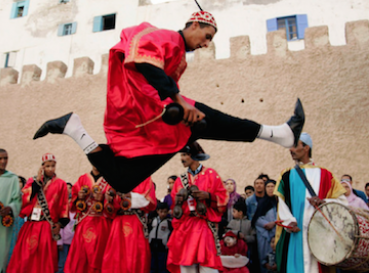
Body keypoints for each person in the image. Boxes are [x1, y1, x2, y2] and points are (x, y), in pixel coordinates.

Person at [33, 10, 305, 194]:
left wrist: (186, 132)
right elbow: (145, 62)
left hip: (146, 118)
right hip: (141, 108)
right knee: (208, 119)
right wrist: (180, 101)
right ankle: (277, 133)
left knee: (122, 180)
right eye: (207, 36)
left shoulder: (179, 55)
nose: (206, 44)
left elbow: (161, 80)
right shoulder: (167, 37)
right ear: (194, 24)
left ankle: (73, 129)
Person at [274, 133, 347, 273]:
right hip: (295, 235)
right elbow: (281, 202)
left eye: (295, 146)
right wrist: (289, 222)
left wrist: (324, 201)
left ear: (306, 148)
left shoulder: (326, 175)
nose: (291, 150)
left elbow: (342, 202)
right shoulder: (286, 175)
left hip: (320, 238)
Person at [167, 142, 228, 273]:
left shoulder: (211, 174)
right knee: (186, 266)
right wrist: (178, 201)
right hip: (186, 226)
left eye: (184, 155)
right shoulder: (180, 179)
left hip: (204, 224)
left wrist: (209, 196)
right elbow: (174, 206)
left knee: (208, 266)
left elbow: (223, 199)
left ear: (193, 156)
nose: (181, 159)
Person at [7, 153, 69, 273]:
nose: (50, 169)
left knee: (43, 259)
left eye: (53, 166)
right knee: (25, 257)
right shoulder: (32, 181)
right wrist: (37, 183)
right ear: (42, 167)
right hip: (30, 225)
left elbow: (64, 205)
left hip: (47, 226)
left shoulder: (61, 184)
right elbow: (23, 199)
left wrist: (60, 224)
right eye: (47, 166)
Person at [102, 177, 157, 273]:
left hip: (135, 221)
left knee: (134, 257)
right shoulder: (115, 178)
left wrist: (131, 196)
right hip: (118, 223)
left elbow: (150, 202)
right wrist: (109, 200)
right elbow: (109, 210)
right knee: (115, 258)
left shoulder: (145, 178)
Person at [65, 166, 113, 273]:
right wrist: (79, 197)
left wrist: (104, 199)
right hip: (84, 223)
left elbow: (114, 204)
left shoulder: (110, 179)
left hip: (103, 225)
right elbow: (73, 199)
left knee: (100, 257)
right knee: (80, 258)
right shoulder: (82, 178)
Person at [252, 180, 277, 273]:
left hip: (278, 235)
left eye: (272, 186)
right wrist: (266, 224)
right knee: (265, 260)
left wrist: (274, 223)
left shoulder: (280, 202)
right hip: (264, 236)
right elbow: (256, 219)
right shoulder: (262, 203)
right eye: (268, 187)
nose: (270, 189)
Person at [226, 199, 257, 273]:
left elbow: (253, 237)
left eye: (234, 211)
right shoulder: (232, 223)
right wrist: (236, 233)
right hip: (233, 250)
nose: (232, 213)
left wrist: (245, 237)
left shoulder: (249, 223)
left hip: (247, 251)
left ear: (240, 213)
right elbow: (227, 233)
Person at [149, 202, 173, 273]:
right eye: (161, 211)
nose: (163, 214)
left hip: (162, 247)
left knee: (162, 266)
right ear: (157, 211)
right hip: (152, 246)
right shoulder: (153, 220)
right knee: (153, 265)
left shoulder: (169, 222)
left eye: (165, 212)